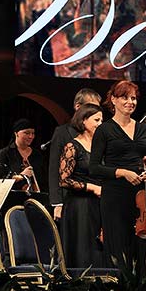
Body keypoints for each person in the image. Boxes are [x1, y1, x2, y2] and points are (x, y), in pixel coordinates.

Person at [89, 80, 146, 273]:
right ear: (114, 100)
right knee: (118, 249)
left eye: (133, 98)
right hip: (115, 197)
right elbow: (94, 168)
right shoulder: (104, 130)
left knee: (141, 250)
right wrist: (122, 172)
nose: (130, 102)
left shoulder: (143, 129)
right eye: (125, 97)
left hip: (140, 198)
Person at [58, 103, 104, 270]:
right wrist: (91, 187)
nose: (100, 124)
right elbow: (64, 180)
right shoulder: (72, 146)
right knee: (83, 252)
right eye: (96, 120)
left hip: (99, 205)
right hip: (80, 207)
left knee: (100, 251)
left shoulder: (102, 147)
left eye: (102, 120)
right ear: (84, 121)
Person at [49, 88, 102, 221]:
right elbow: (54, 168)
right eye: (91, 107)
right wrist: (57, 203)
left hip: (96, 200)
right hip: (71, 199)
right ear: (78, 107)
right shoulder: (62, 133)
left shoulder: (99, 135)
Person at [0, 118, 47, 193]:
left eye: (33, 133)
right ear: (16, 133)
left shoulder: (37, 155)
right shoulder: (5, 153)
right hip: (12, 198)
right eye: (26, 133)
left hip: (36, 198)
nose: (31, 136)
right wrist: (21, 176)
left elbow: (44, 179)